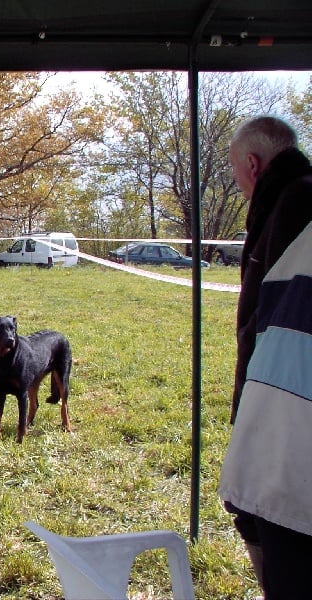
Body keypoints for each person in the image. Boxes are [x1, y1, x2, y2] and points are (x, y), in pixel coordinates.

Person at [218, 115, 312, 598]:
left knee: (270, 523)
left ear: (252, 164)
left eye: (236, 173)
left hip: (286, 411)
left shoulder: (291, 206)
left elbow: (268, 324)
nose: (239, 185)